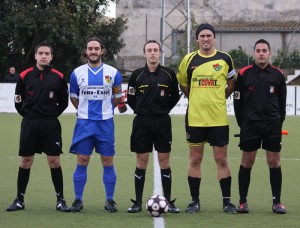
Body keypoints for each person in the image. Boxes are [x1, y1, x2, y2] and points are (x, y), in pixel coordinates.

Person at [176, 23, 237, 213]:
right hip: (195, 119)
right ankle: (195, 201)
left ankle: (227, 202)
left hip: (218, 119)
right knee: (195, 160)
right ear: (197, 39)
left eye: (209, 35)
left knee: (222, 160)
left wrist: (218, 98)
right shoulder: (188, 59)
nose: (205, 39)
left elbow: (231, 83)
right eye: (202, 36)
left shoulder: (225, 59)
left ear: (214, 38)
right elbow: (184, 86)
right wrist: (197, 99)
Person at [6, 41, 70, 212]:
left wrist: (51, 114)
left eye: (47, 53)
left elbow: (64, 101)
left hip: (50, 124)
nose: (43, 56)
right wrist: (28, 115)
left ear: (51, 56)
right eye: (40, 53)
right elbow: (18, 100)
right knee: (26, 161)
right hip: (29, 123)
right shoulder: (24, 75)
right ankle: (19, 199)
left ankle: (60, 199)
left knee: (54, 161)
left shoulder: (59, 76)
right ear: (35, 55)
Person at [69, 37, 123, 213]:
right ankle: (78, 200)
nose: (93, 51)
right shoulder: (77, 73)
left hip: (105, 124)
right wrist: (83, 112)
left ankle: (109, 200)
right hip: (84, 123)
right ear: (86, 51)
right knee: (82, 160)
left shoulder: (113, 73)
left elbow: (117, 97)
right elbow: (73, 97)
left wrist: (107, 110)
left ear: (102, 51)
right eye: (90, 48)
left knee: (107, 161)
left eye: (96, 48)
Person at [234, 39, 287, 214]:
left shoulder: (278, 75)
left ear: (270, 53)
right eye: (258, 50)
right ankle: (242, 202)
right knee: (247, 162)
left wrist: (278, 121)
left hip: (272, 124)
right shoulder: (244, 74)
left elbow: (282, 102)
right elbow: (237, 100)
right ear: (254, 53)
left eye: (264, 50)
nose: (261, 53)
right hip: (250, 125)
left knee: (274, 162)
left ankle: (277, 202)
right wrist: (243, 123)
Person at [126, 40, 180, 214]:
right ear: (144, 53)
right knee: (141, 162)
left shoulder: (169, 74)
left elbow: (174, 97)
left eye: (155, 50)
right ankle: (137, 203)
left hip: (162, 122)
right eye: (149, 50)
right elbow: (131, 99)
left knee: (164, 161)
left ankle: (169, 202)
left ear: (160, 53)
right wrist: (143, 111)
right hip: (142, 122)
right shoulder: (136, 75)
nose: (152, 53)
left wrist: (162, 111)